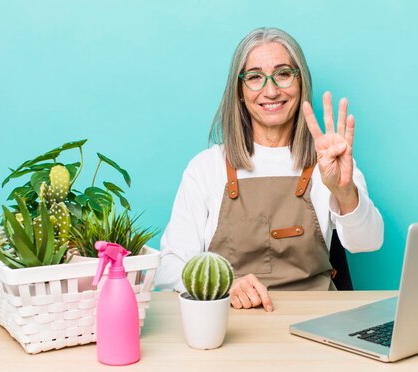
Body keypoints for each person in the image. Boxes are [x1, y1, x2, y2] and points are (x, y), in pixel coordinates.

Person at [155, 27, 383, 312]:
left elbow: (369, 242)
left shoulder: (329, 159)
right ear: (239, 91)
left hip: (319, 325)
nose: (271, 90)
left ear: (301, 83)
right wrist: (224, 286)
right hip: (230, 328)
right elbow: (168, 270)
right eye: (254, 77)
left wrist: (344, 191)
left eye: (284, 73)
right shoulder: (206, 168)